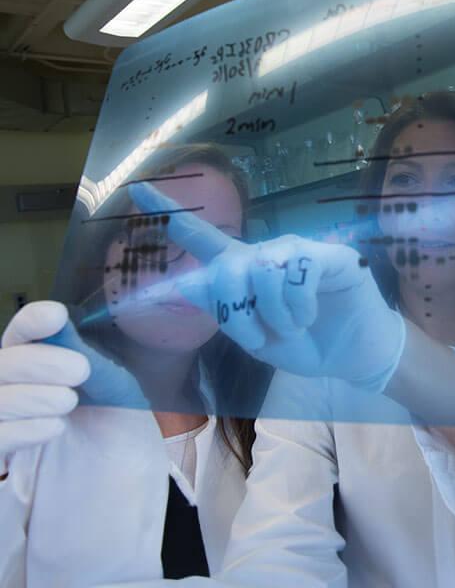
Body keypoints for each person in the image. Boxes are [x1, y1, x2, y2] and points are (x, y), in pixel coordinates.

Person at [132, 90, 455, 586]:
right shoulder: (316, 368)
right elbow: (279, 541)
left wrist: (400, 362)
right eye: (406, 181)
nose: (424, 205)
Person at [0, 144, 271, 587]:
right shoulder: (32, 426)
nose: (192, 273)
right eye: (155, 240)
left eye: (218, 243)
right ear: (99, 255)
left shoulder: (264, 406)